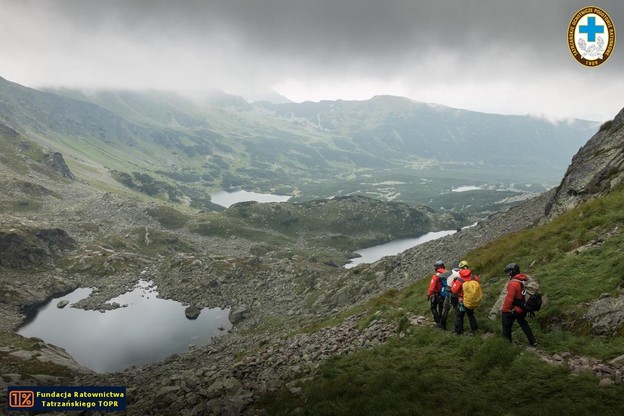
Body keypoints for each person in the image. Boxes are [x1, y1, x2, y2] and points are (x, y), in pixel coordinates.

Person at [501, 263, 538, 347]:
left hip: (516, 308)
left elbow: (509, 299)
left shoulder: (513, 283)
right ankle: (533, 341)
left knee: (506, 324)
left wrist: (504, 310)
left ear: (512, 272)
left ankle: (507, 344)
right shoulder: (524, 278)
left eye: (508, 272)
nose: (508, 274)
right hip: (524, 307)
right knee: (522, 322)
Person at [450, 260, 479, 335]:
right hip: (471, 299)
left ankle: (459, 332)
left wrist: (454, 281)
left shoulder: (459, 279)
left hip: (462, 300)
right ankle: (475, 331)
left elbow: (454, 290)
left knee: (459, 316)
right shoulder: (474, 277)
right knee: (471, 315)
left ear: (461, 269)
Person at [439, 260, 460, 330]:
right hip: (458, 294)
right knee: (457, 310)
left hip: (449, 293)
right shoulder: (461, 272)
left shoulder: (449, 272)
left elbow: (440, 277)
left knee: (445, 309)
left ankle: (442, 325)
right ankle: (457, 328)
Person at [426, 260, 447, 328]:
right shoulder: (448, 273)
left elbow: (432, 287)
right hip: (445, 293)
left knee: (433, 307)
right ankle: (442, 322)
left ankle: (438, 321)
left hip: (436, 294)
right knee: (441, 308)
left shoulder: (436, 276)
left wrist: (429, 294)